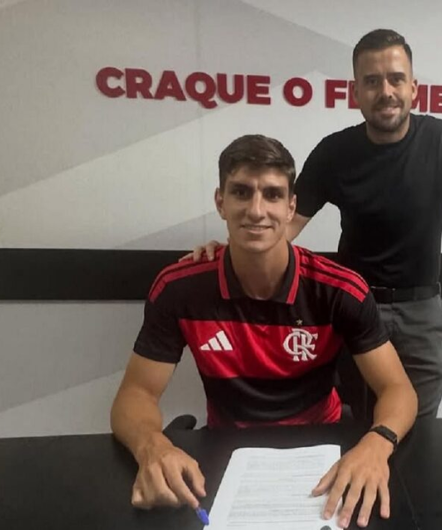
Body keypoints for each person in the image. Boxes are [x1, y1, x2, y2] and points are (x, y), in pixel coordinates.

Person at [111, 134, 417, 530]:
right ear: (220, 202)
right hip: (225, 452)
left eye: (272, 195)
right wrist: (151, 446)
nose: (256, 210)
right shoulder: (179, 288)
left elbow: (398, 389)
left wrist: (377, 443)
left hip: (321, 450)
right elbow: (135, 394)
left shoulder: (339, 289)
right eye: (242, 192)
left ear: (291, 208)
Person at [186, 29, 442, 419]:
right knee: (352, 423)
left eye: (396, 79)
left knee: (419, 428)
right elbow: (283, 224)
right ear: (355, 92)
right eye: (372, 81)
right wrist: (230, 252)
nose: (386, 91)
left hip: (420, 311)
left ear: (413, 88)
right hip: (352, 309)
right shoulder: (335, 152)